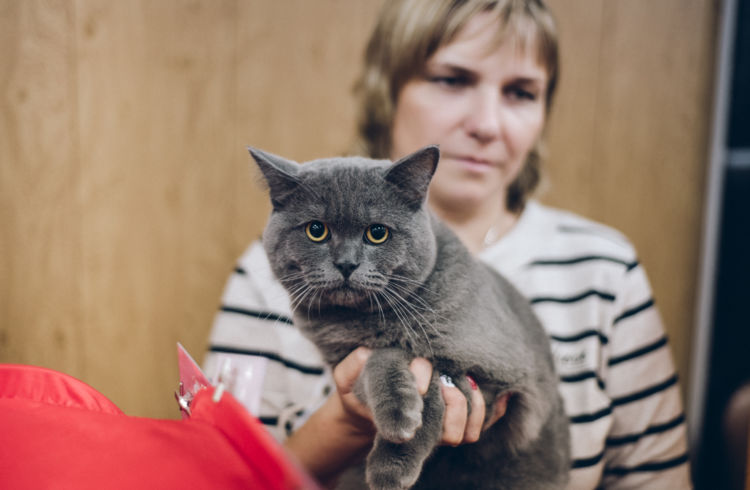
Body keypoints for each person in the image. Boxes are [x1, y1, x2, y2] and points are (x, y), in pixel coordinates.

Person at [204, 0, 692, 488]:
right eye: (452, 80)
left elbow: (658, 479)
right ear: (387, 88)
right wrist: (345, 424)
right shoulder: (269, 279)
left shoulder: (604, 272)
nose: (485, 123)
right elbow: (217, 476)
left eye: (521, 92)